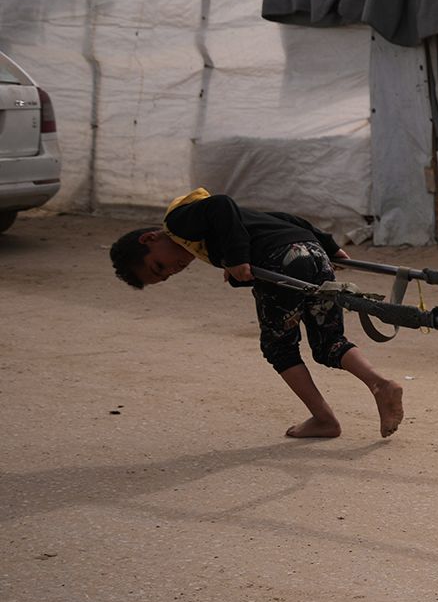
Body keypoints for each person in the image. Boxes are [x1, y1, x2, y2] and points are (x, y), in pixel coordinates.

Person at [108, 188, 405, 439]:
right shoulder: (214, 234)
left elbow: (220, 204)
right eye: (167, 276)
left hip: (281, 259)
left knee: (279, 347)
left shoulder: (179, 221)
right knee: (329, 342)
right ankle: (381, 384)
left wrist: (236, 258)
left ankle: (325, 419)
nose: (173, 269)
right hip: (310, 252)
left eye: (159, 266)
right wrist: (328, 246)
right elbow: (284, 220)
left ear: (149, 239)